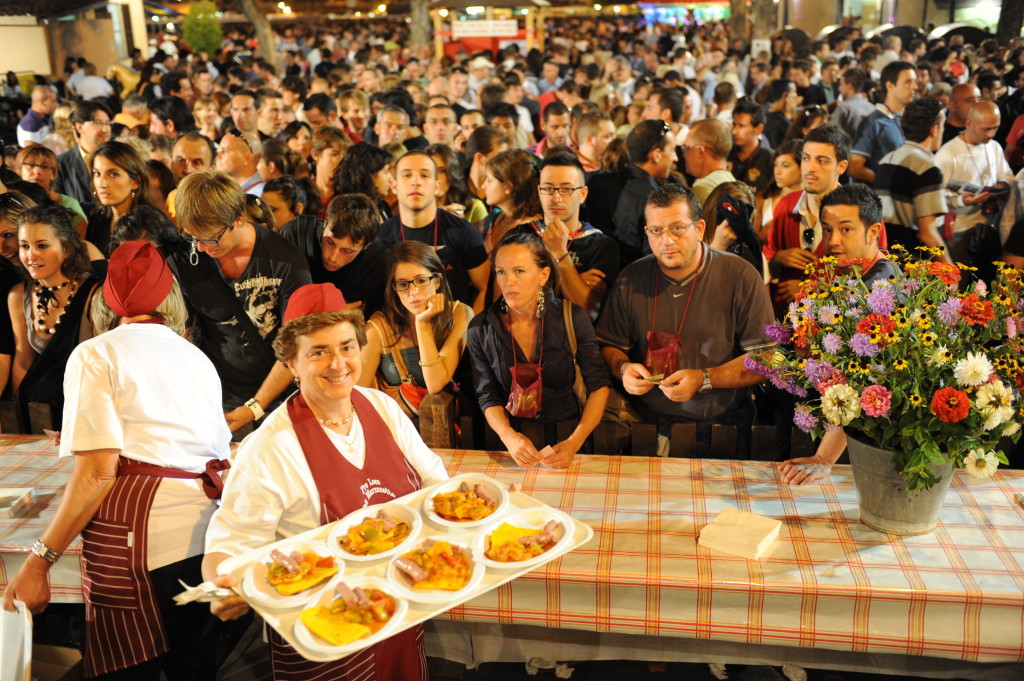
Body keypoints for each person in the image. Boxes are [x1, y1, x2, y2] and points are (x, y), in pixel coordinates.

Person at [2, 241, 230, 680]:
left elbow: (96, 472)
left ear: (107, 298)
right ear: (170, 295)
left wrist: (38, 561)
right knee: (192, 669)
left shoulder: (96, 352)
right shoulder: (196, 355)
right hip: (205, 536)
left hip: (145, 544)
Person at [202, 286, 448, 680]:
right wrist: (221, 586)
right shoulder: (269, 447)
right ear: (292, 363)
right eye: (318, 352)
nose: (339, 364)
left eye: (347, 347)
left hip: (398, 614)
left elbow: (436, 485)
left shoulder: (383, 409)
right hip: (324, 635)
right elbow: (230, 544)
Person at [596, 185, 774, 459]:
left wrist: (705, 379)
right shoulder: (631, 278)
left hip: (722, 429)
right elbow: (608, 345)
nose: (666, 241)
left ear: (700, 228)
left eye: (677, 228)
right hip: (644, 428)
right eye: (656, 230)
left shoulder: (739, 275)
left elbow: (767, 358)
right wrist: (623, 369)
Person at [169, 170, 311, 430]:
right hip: (219, 399)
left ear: (238, 219)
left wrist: (255, 406)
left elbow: (297, 345)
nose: (200, 247)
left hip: (282, 401)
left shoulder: (285, 259)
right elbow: (181, 335)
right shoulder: (183, 257)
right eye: (192, 236)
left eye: (210, 237)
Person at [778, 185, 899, 485]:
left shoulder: (879, 291)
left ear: (873, 232)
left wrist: (824, 458)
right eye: (828, 230)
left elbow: (863, 385)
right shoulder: (851, 276)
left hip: (860, 444)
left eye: (846, 229)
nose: (833, 241)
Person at [468, 231, 610, 468]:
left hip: (569, 440)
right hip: (512, 447)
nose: (508, 281)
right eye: (501, 272)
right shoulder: (480, 328)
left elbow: (599, 386)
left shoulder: (571, 317)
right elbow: (486, 395)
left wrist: (574, 442)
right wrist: (509, 437)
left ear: (543, 275)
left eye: (519, 271)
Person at [8, 205, 101, 428]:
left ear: (66, 249)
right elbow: (22, 361)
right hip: (39, 412)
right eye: (24, 246)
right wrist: (18, 418)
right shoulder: (18, 295)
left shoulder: (95, 293)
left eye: (42, 245)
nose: (30, 256)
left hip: (83, 411)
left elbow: (98, 367)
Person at [359, 241, 474, 416]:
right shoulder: (378, 328)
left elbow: (435, 383)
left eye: (421, 280)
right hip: (397, 427)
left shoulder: (460, 313)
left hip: (452, 429)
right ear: (395, 289)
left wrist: (422, 324)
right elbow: (359, 396)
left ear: (437, 282)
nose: (413, 292)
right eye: (403, 284)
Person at [378, 151, 490, 312]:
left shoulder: (464, 232)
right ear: (394, 186)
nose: (415, 182)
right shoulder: (380, 237)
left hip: (455, 328)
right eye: (407, 175)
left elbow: (483, 288)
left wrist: (470, 333)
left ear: (437, 186)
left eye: (424, 175)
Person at [935, 100, 1014, 280]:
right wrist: (963, 200)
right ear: (969, 124)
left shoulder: (994, 146)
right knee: (959, 282)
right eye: (986, 129)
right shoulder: (947, 154)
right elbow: (936, 195)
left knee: (986, 282)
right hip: (959, 229)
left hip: (989, 226)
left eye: (995, 128)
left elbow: (1007, 175)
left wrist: (1000, 187)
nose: (992, 134)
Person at [281, 192, 389, 317]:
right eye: (330, 242)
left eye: (347, 251)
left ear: (366, 246)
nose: (332, 257)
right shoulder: (293, 236)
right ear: (325, 223)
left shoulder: (379, 264)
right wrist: (333, 314)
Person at [586, 119, 679, 263]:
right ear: (656, 155)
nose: (675, 158)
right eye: (672, 150)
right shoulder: (656, 201)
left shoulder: (595, 181)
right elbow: (655, 261)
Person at [875, 96, 952, 263]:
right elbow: (927, 232)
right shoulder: (928, 167)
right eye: (943, 126)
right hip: (912, 264)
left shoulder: (886, 159)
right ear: (934, 130)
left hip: (884, 258)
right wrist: (950, 269)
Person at [848, 61, 917, 185]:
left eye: (914, 81)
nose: (914, 87)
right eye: (908, 82)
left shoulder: (906, 119)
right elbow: (854, 167)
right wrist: (888, 184)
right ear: (890, 85)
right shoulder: (873, 122)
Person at [86, 141, 156, 255]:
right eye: (97, 173)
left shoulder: (149, 224)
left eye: (113, 174)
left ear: (135, 182)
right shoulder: (98, 218)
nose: (102, 184)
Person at [481, 149, 545, 253]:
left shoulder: (532, 230)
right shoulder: (496, 217)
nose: (483, 186)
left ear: (508, 186)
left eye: (489, 180)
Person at [15, 145, 88, 235]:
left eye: (44, 167)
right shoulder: (12, 200)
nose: (37, 171)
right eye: (31, 165)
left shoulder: (67, 204)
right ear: (19, 169)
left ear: (53, 174)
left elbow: (82, 241)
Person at [55, 100, 112, 208]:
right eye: (98, 123)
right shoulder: (61, 164)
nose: (105, 129)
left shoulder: (118, 158)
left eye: (107, 123)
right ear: (79, 127)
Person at [426, 143, 487, 227]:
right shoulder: (414, 208)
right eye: (429, 171)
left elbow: (482, 239)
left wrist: (460, 226)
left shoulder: (474, 207)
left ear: (452, 173)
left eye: (442, 171)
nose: (436, 178)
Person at [333, 141, 395, 221]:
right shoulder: (351, 214)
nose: (390, 178)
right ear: (371, 175)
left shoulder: (381, 206)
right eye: (386, 172)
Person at [756, 139, 803, 242]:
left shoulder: (812, 202)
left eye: (785, 165)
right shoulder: (764, 199)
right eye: (776, 165)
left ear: (802, 168)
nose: (777, 171)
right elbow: (752, 241)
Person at [683, 119, 736, 205]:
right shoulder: (734, 184)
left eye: (687, 148)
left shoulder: (703, 190)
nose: (684, 155)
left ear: (700, 151)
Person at [728, 98, 773, 196]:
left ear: (758, 129)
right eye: (734, 125)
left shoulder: (770, 159)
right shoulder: (727, 153)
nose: (734, 131)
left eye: (741, 126)